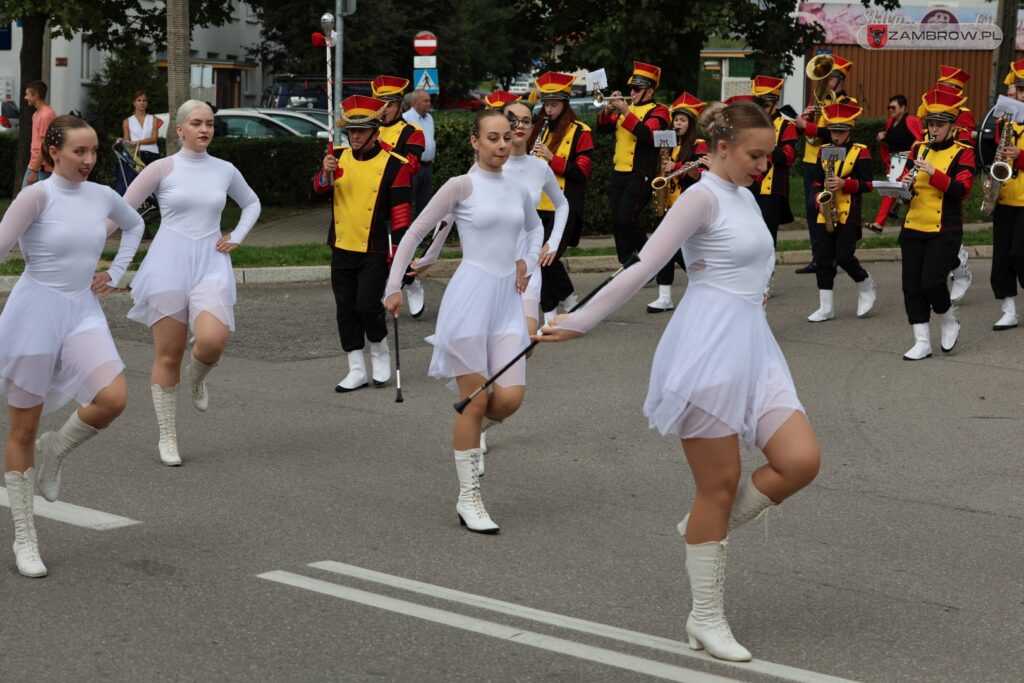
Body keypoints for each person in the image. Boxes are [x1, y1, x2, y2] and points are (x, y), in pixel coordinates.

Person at [537, 100, 820, 662]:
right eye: (754, 155)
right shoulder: (700, 196)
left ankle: (701, 526)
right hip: (708, 345)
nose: (764, 166)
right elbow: (643, 265)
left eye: (767, 156)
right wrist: (582, 321)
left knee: (801, 460)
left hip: (755, 345)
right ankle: (705, 617)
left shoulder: (743, 194)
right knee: (719, 484)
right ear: (720, 147)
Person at [383, 110, 543, 534]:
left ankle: (473, 431)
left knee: (509, 400)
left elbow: (535, 226)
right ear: (475, 141)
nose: (502, 145)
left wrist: (527, 256)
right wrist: (394, 285)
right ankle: (469, 496)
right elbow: (416, 232)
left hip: (507, 301)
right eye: (493, 138)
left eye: (507, 137)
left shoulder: (517, 189)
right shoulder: (461, 186)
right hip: (471, 297)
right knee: (474, 400)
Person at [0, 115, 145, 577]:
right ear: (53, 153)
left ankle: (57, 449)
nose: (89, 160)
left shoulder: (102, 196)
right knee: (22, 428)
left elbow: (136, 225)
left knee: (114, 398)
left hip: (82, 309)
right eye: (79, 152)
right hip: (36, 312)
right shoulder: (35, 197)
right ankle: (26, 536)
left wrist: (116, 273)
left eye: (94, 151)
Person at [118, 100, 261, 466]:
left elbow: (252, 203)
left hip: (210, 260)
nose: (205, 130)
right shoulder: (162, 169)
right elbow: (121, 211)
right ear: (178, 129)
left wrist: (239, 234)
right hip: (168, 261)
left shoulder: (225, 169)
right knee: (168, 353)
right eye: (196, 123)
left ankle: (197, 378)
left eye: (209, 124)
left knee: (213, 341)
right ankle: (168, 435)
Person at [313, 95, 413, 392]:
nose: (354, 136)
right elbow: (315, 191)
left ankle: (380, 353)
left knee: (368, 306)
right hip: (342, 246)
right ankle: (356, 367)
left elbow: (401, 217)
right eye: (351, 131)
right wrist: (324, 174)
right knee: (345, 308)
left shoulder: (395, 165)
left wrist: (402, 260)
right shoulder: (337, 158)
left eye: (361, 131)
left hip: (375, 250)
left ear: (375, 131)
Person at [898, 89, 975, 360]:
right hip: (913, 225)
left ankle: (948, 318)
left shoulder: (963, 153)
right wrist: (900, 189)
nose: (934, 129)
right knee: (911, 285)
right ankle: (921, 341)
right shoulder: (918, 148)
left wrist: (933, 173)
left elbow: (961, 190)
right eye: (931, 124)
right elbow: (907, 184)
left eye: (940, 125)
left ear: (952, 126)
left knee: (931, 282)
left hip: (945, 228)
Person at [531, 71, 593, 320]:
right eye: (546, 104)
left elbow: (582, 171)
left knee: (545, 257)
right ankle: (569, 299)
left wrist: (551, 158)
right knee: (543, 258)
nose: (548, 110)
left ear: (565, 105)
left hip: (564, 205)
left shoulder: (581, 131)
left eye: (554, 105)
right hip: (537, 204)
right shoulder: (540, 129)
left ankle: (550, 311)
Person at [806, 102, 876, 322]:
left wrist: (845, 183)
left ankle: (865, 284)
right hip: (826, 210)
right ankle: (826, 307)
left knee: (843, 256)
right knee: (823, 258)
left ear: (850, 130)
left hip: (849, 210)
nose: (836, 135)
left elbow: (868, 184)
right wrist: (819, 200)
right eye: (833, 131)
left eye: (841, 131)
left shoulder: (861, 151)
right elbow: (817, 182)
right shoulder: (823, 150)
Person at [596, 61, 670, 264]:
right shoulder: (623, 110)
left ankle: (648, 260)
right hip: (618, 171)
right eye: (631, 88)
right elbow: (603, 128)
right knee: (617, 222)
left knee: (627, 218)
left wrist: (626, 112)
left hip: (640, 172)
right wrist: (608, 109)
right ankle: (627, 264)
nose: (633, 92)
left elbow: (648, 134)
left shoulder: (659, 111)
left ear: (650, 90)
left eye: (637, 89)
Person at [648, 92, 709, 313]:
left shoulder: (699, 144)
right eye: (676, 119)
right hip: (668, 202)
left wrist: (675, 167)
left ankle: (705, 281)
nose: (677, 123)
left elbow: (700, 173)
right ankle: (665, 296)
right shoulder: (668, 143)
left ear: (690, 124)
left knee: (682, 249)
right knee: (665, 248)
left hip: (688, 204)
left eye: (682, 120)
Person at [793, 56, 853, 274]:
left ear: (840, 82)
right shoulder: (817, 100)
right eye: (824, 78)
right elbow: (805, 129)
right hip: (812, 159)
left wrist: (807, 127)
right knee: (812, 210)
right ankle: (818, 257)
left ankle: (834, 256)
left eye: (830, 79)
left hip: (833, 158)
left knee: (830, 207)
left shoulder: (847, 104)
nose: (825, 83)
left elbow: (833, 132)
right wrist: (803, 120)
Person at [373, 76, 427, 318]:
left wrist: (378, 147)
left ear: (399, 105)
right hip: (371, 196)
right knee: (375, 247)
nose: (384, 110)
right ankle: (384, 289)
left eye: (390, 104)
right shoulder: (367, 130)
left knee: (398, 245)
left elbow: (411, 165)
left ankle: (411, 284)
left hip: (398, 196)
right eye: (380, 104)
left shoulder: (412, 132)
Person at [987, 61, 1024, 331]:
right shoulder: (1005, 123)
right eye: (1017, 91)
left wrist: (1019, 156)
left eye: (1022, 91)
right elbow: (996, 156)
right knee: (1001, 258)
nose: (1020, 96)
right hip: (1005, 197)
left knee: (1019, 253)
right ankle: (1008, 309)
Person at [750, 76, 797, 247]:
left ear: (774, 104)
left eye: (764, 106)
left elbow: (789, 157)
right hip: (749, 186)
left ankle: (768, 273)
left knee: (768, 239)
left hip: (772, 190)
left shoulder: (786, 125)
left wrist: (768, 146)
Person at [866, 95, 923, 234]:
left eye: (894, 107)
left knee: (899, 190)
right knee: (896, 190)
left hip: (906, 161)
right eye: (889, 107)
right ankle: (880, 223)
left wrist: (913, 156)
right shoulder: (890, 122)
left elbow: (920, 139)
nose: (890, 110)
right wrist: (882, 139)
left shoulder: (911, 120)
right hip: (895, 162)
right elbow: (890, 142)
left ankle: (882, 223)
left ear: (903, 108)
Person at [402, 88, 436, 217]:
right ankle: (406, 234)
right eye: (426, 101)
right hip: (412, 167)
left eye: (429, 101)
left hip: (427, 166)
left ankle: (421, 235)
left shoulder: (429, 118)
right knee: (408, 201)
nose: (429, 104)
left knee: (424, 202)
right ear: (415, 103)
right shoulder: (406, 118)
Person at [21, 80, 57, 189]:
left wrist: (34, 171)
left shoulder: (46, 115)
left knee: (27, 202)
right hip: (35, 166)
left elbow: (44, 145)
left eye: (27, 94)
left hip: (43, 169)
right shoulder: (37, 114)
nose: (25, 97)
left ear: (35, 95)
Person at [120, 90, 163, 165]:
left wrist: (136, 142)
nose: (142, 103)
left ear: (147, 103)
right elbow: (127, 143)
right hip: (137, 157)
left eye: (144, 100)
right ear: (134, 103)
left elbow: (153, 139)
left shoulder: (153, 119)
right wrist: (121, 140)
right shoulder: (126, 122)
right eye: (139, 100)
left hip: (153, 154)